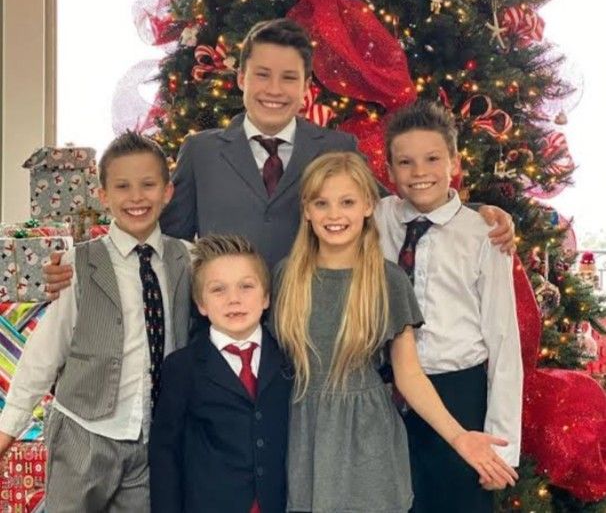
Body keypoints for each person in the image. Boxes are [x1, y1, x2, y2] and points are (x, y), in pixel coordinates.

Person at [43, 18, 514, 294]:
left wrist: (473, 214)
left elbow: (391, 216)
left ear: (306, 87)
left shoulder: (336, 148)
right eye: (262, 75)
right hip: (227, 333)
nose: (274, 89)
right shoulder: (201, 152)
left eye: (289, 78)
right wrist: (84, 269)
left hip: (318, 336)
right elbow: (159, 242)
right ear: (241, 78)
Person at [270, 151, 518, 513]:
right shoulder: (285, 277)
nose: (335, 214)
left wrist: (459, 437)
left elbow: (409, 374)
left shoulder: (388, 280)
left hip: (369, 437)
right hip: (302, 434)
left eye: (347, 202)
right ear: (306, 210)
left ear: (369, 206)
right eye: (321, 203)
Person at [0, 131, 192, 512]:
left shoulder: (187, 259)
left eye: (148, 185)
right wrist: (8, 430)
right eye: (122, 186)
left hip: (152, 440)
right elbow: (45, 352)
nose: (136, 197)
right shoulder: (76, 265)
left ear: (167, 192)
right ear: (103, 196)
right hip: (82, 434)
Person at [375, 100, 523, 513]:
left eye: (432, 159)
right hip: (390, 394)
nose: (419, 172)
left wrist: (502, 449)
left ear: (454, 162)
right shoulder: (378, 217)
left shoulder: (484, 234)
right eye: (405, 162)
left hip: (460, 393)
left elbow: (503, 339)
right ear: (389, 171)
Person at [149, 234, 291, 513]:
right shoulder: (182, 367)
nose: (233, 300)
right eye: (218, 290)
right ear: (201, 304)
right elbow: (166, 454)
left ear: (266, 298)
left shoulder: (288, 360)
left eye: (246, 287)